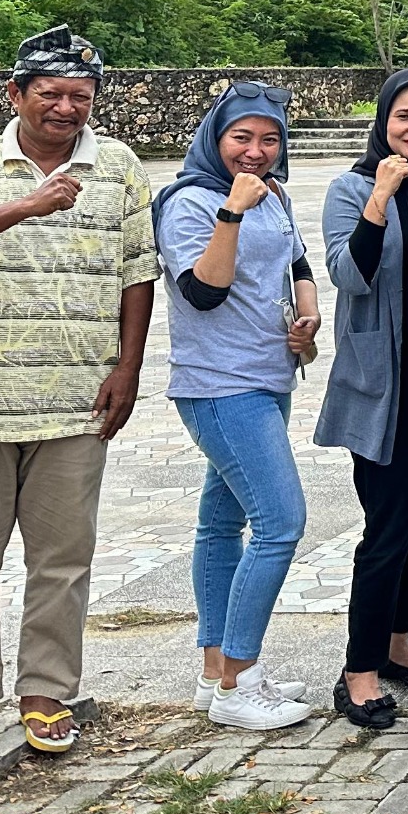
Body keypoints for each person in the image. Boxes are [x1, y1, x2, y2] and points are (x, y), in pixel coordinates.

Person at [0, 26, 154, 760]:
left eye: (81, 96)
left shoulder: (119, 166)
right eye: (50, 94)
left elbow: (139, 271)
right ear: (16, 94)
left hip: (77, 398)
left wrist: (128, 368)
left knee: (63, 559)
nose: (66, 108)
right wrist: (25, 205)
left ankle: (47, 693)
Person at [153, 83, 320, 732]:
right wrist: (231, 213)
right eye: (241, 137)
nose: (256, 151)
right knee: (280, 522)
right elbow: (203, 292)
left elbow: (297, 262)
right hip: (220, 386)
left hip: (269, 376)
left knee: (220, 525)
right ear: (214, 139)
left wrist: (308, 314)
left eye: (270, 139)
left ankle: (214, 672)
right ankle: (240, 682)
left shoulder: (275, 195)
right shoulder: (189, 202)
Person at [316, 67, 408, 731]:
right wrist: (381, 197)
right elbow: (350, 273)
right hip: (384, 387)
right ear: (383, 121)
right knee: (389, 528)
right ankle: (358, 671)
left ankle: (397, 644)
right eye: (404, 116)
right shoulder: (351, 187)